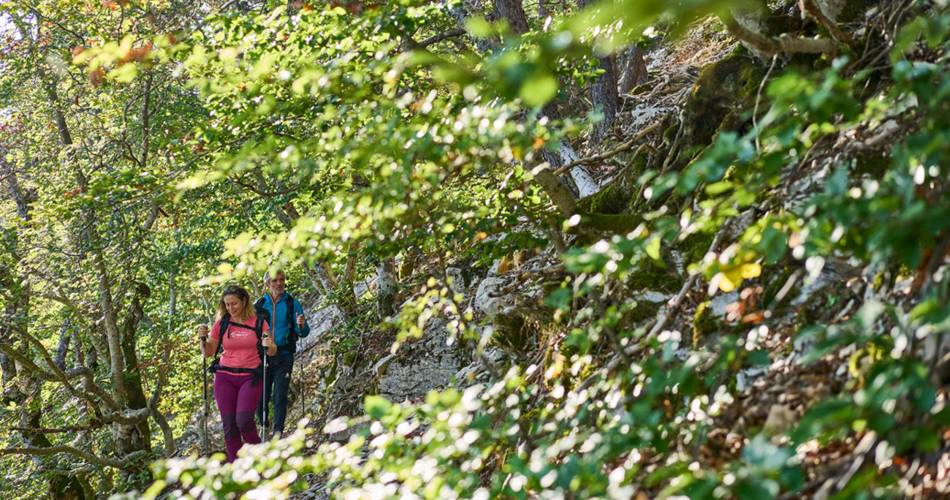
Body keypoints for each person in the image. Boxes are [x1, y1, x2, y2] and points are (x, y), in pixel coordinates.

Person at [197, 285, 276, 462]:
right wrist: (203, 340)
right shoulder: (222, 324)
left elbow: (272, 351)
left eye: (234, 304)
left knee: (244, 421)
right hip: (225, 376)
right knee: (229, 425)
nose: (230, 308)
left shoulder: (258, 322)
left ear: (244, 301)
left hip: (250, 376)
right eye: (227, 305)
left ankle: (260, 460)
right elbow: (208, 351)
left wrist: (269, 345)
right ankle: (237, 467)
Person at [255, 270, 310, 437]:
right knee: (261, 397)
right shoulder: (258, 305)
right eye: (274, 280)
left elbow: (304, 333)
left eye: (282, 280)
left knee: (280, 395)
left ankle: (278, 433)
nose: (279, 283)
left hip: (284, 354)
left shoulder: (292, 303)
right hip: (263, 355)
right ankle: (264, 427)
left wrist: (301, 325)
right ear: (267, 284)